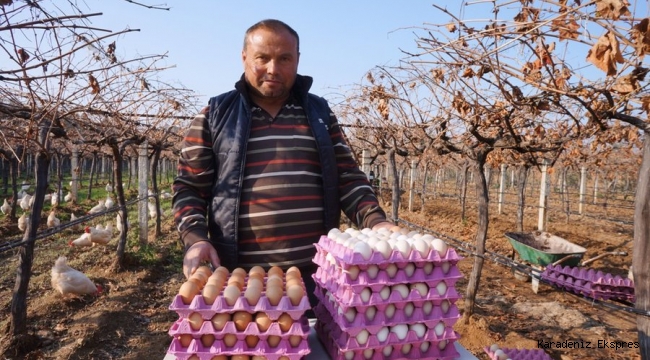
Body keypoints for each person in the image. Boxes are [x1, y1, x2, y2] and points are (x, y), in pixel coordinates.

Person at [172, 19, 392, 306]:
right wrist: (195, 237)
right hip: (238, 281)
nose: (273, 69)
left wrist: (376, 222)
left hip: (316, 277)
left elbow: (347, 178)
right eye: (262, 58)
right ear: (244, 58)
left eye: (284, 58)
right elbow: (189, 187)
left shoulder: (320, 114)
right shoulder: (215, 115)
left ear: (297, 60)